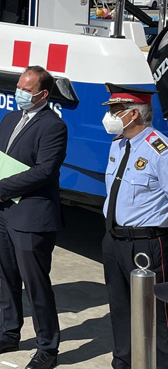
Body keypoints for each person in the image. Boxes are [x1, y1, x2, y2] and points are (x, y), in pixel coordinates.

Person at [0, 65, 67, 369]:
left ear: (42, 94)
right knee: (6, 277)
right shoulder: (10, 118)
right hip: (2, 212)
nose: (20, 93)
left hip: (31, 215)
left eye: (26, 90)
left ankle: (47, 348)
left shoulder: (53, 126)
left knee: (36, 283)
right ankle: (9, 332)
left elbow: (45, 170)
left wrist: (1, 188)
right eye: (19, 86)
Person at [100, 83, 168, 369]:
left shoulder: (159, 149)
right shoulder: (118, 144)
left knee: (158, 313)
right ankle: (124, 361)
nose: (111, 116)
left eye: (117, 110)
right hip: (114, 239)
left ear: (135, 114)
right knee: (120, 307)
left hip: (148, 242)